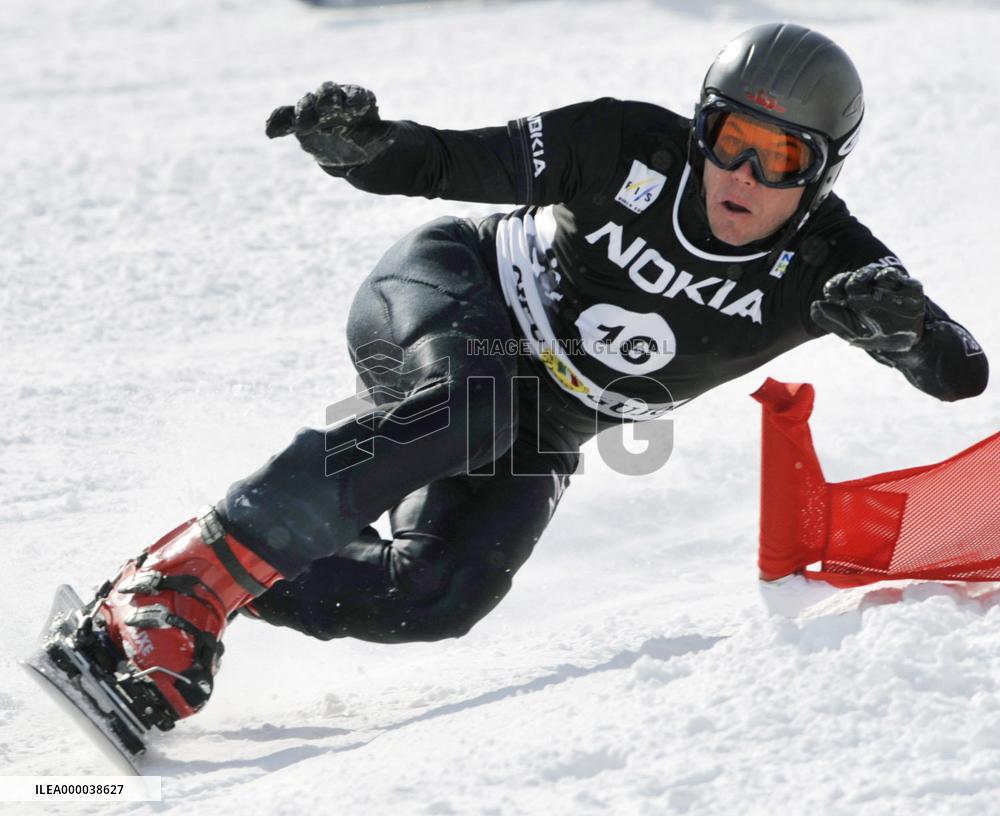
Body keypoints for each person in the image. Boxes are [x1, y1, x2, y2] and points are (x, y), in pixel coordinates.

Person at [73, 22, 988, 730]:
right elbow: (446, 159)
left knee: (438, 597)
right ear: (701, 125)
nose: (741, 174)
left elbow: (961, 373)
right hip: (457, 293)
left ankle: (195, 573)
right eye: (730, 137)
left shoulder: (830, 262)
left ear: (824, 174)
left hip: (549, 420)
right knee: (473, 410)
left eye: (782, 157)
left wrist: (907, 338)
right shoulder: (626, 144)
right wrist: (364, 146)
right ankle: (181, 584)